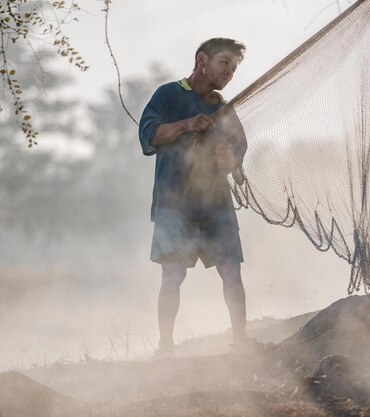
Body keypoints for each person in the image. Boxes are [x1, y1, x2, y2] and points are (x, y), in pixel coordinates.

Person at [138, 38, 251, 356]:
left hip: (216, 203)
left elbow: (237, 156)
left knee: (231, 270)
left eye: (234, 68)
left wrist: (227, 157)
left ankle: (240, 343)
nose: (229, 72)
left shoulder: (223, 108)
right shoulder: (169, 95)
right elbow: (149, 135)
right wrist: (187, 124)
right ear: (203, 60)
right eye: (224, 63)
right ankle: (165, 348)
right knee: (172, 274)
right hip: (175, 205)